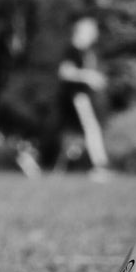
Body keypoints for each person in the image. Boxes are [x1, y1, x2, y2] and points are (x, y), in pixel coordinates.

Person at [53, 14, 114, 181]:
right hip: (78, 97)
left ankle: (59, 169)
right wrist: (88, 76)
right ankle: (99, 166)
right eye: (91, 30)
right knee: (91, 129)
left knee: (73, 135)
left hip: (85, 97)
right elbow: (65, 71)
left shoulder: (87, 51)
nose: (95, 34)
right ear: (81, 30)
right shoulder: (72, 49)